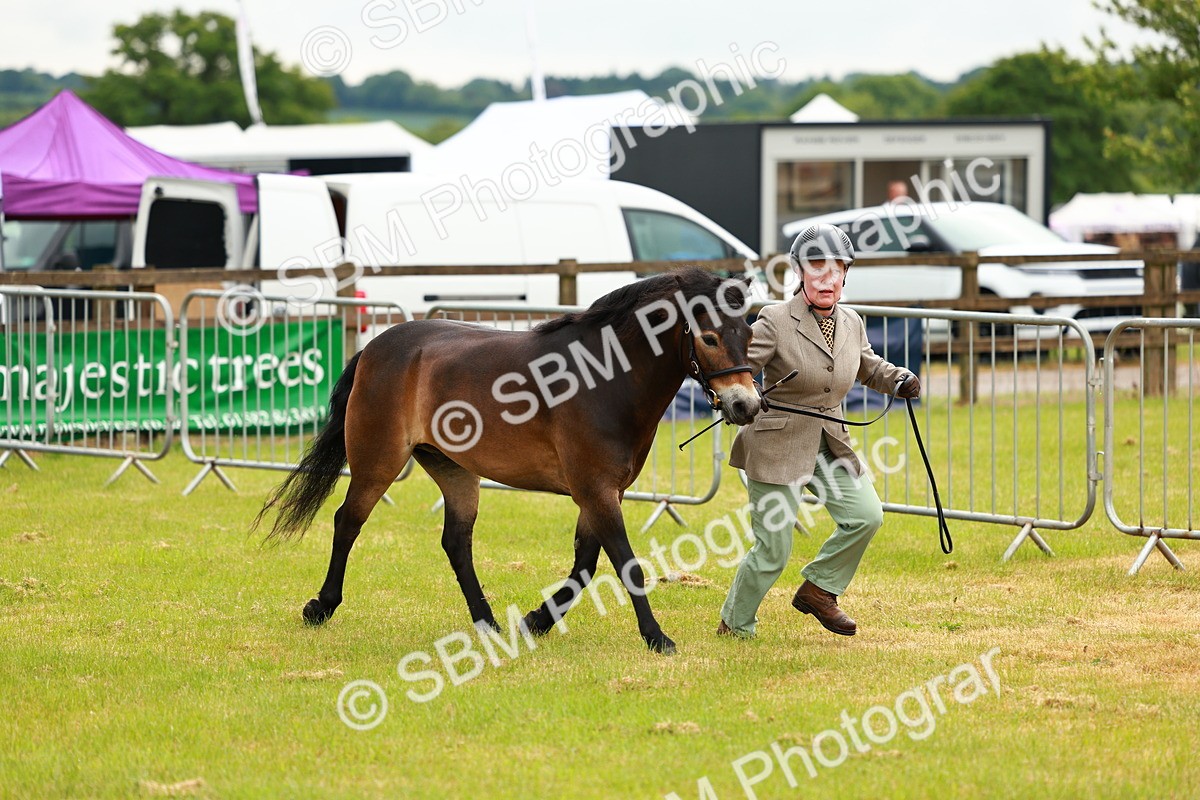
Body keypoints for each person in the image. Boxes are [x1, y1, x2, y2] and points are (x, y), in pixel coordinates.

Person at [718, 223, 920, 638]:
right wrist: (742, 398)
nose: (827, 279)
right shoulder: (774, 320)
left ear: (846, 274)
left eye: (836, 270)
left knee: (866, 516)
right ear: (799, 272)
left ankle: (818, 589)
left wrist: (898, 379)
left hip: (829, 443)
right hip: (776, 446)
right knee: (773, 552)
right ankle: (735, 624)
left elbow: (867, 365)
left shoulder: (851, 321)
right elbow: (737, 371)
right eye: (817, 268)